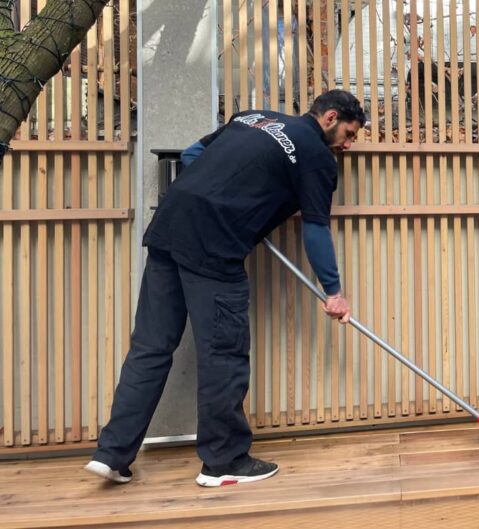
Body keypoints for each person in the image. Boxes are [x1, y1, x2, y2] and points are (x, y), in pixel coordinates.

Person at [85, 89, 366, 486]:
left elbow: (190, 156)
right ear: (330, 117)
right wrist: (334, 292)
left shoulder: (255, 118)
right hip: (214, 248)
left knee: (150, 347)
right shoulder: (317, 157)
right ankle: (224, 461)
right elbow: (316, 226)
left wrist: (235, 197)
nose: (349, 145)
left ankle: (112, 454)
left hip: (170, 228)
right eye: (349, 134)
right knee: (224, 354)